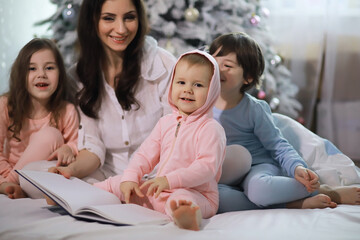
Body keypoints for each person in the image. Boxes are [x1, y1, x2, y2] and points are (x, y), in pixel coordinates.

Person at [208, 32, 343, 213]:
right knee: (215, 198)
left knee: (259, 191)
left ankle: (328, 192)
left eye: (228, 65)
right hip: (224, 174)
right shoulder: (201, 106)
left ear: (247, 77)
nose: (218, 69)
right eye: (213, 62)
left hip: (257, 168)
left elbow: (278, 145)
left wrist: (297, 168)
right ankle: (290, 203)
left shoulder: (254, 109)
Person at [93, 50, 226, 231]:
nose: (187, 89)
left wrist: (170, 181)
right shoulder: (166, 122)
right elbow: (145, 155)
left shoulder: (210, 128)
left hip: (198, 194)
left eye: (198, 85)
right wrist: (131, 177)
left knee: (181, 199)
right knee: (119, 183)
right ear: (172, 85)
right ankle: (82, 194)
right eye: (181, 82)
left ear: (212, 91)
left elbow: (206, 168)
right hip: (159, 191)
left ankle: (187, 215)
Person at [48, 0, 176, 182]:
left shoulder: (163, 65)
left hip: (157, 175)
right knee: (41, 174)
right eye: (109, 18)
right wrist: (71, 171)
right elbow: (92, 144)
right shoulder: (77, 78)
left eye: (129, 17)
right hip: (104, 174)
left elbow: (175, 137)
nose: (121, 29)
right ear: (92, 21)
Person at [0, 38, 79, 199]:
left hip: (42, 176)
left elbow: (78, 143)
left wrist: (68, 148)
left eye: (49, 68)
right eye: (32, 69)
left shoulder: (67, 110)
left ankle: (15, 183)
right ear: (21, 74)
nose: (41, 74)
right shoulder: (6, 105)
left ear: (60, 74)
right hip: (9, 173)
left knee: (51, 135)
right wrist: (6, 180)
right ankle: (12, 183)